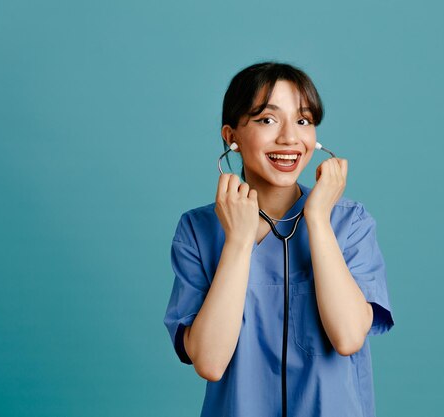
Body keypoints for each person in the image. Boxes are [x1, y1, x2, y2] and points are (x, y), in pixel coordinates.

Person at [164, 61, 394, 417]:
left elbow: (348, 337)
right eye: (267, 120)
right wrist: (238, 242)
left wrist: (317, 220)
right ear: (231, 136)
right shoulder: (197, 231)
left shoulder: (350, 223)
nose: (289, 138)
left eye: (303, 120)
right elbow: (209, 362)